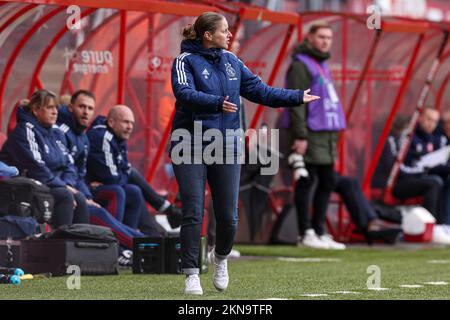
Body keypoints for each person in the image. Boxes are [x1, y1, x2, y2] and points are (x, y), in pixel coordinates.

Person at [170, 12, 320, 295]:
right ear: (207, 35)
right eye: (224, 30)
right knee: (192, 211)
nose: (230, 35)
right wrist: (216, 103)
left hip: (225, 145)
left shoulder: (232, 62)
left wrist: (297, 96)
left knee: (228, 215)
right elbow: (183, 93)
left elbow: (262, 92)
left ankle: (221, 258)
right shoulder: (184, 61)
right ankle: (191, 274)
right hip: (188, 142)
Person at [57, 90, 145, 258]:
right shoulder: (60, 132)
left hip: (81, 193)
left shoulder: (81, 136)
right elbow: (56, 171)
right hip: (65, 193)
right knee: (115, 192)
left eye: (90, 108)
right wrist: (77, 192)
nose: (86, 111)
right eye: (82, 106)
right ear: (70, 108)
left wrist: (86, 194)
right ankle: (141, 245)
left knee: (132, 191)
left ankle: (139, 245)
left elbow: (79, 174)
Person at [286, 21, 346, 250]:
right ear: (309, 38)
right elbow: (297, 102)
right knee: (305, 181)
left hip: (326, 136)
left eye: (329, 38)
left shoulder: (322, 64)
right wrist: (300, 135)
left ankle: (320, 230)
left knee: (328, 181)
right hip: (309, 133)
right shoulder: (301, 65)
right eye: (321, 36)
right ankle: (305, 232)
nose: (325, 41)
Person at [0, 89, 89, 227]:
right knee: (65, 196)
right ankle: (60, 244)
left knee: (80, 198)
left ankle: (81, 245)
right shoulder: (25, 130)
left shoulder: (56, 132)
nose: (55, 112)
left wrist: (68, 184)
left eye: (56, 108)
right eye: (49, 107)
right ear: (36, 110)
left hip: (51, 184)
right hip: (24, 187)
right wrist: (63, 186)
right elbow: (36, 167)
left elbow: (69, 164)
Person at [373, 112, 443, 222]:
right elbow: (396, 169)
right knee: (434, 182)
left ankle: (440, 223)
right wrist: (421, 171)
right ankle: (430, 224)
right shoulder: (393, 139)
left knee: (438, 180)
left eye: (435, 121)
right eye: (428, 119)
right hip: (393, 183)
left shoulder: (427, 138)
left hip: (405, 177)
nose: (431, 124)